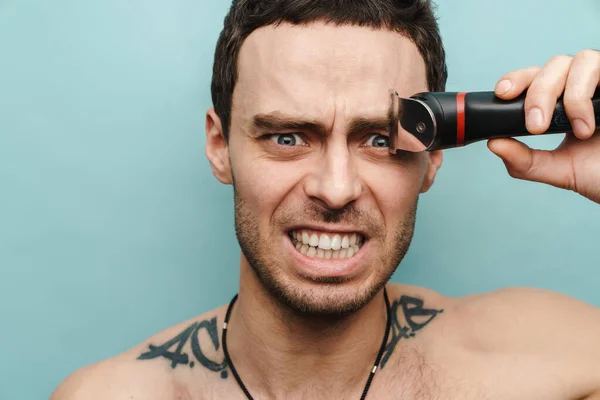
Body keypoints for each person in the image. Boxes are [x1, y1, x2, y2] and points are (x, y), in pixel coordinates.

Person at [51, 0, 600, 399]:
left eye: (380, 140)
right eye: (287, 137)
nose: (336, 189)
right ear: (220, 147)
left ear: (432, 159)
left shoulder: (551, 362)